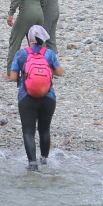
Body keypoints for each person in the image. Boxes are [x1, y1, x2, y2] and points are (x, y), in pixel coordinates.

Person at [7, 25, 60, 171]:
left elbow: (13, 77)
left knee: (28, 131)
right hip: (48, 97)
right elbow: (60, 72)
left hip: (26, 97)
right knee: (44, 129)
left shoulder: (21, 54)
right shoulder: (49, 54)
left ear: (29, 38)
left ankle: (32, 164)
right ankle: (44, 160)